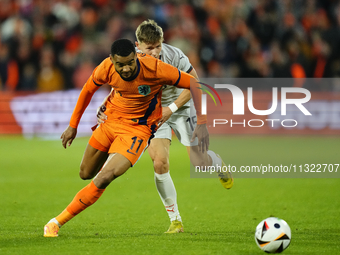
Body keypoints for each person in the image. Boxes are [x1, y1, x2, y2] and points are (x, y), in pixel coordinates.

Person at [43, 38, 209, 237]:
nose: (126, 68)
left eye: (130, 62)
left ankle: (55, 223)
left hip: (137, 131)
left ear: (137, 56)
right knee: (85, 173)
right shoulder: (106, 67)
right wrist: (73, 126)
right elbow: (87, 90)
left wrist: (199, 120)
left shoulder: (155, 69)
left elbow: (194, 83)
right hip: (110, 122)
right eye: (120, 64)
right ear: (112, 60)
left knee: (105, 177)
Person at [96, 20, 233, 234]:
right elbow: (123, 86)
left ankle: (214, 161)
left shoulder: (175, 56)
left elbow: (196, 84)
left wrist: (174, 108)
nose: (156, 51)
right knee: (159, 163)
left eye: (158, 46)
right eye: (150, 47)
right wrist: (107, 103)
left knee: (199, 163)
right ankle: (175, 220)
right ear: (137, 46)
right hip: (154, 114)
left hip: (182, 107)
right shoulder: (132, 62)